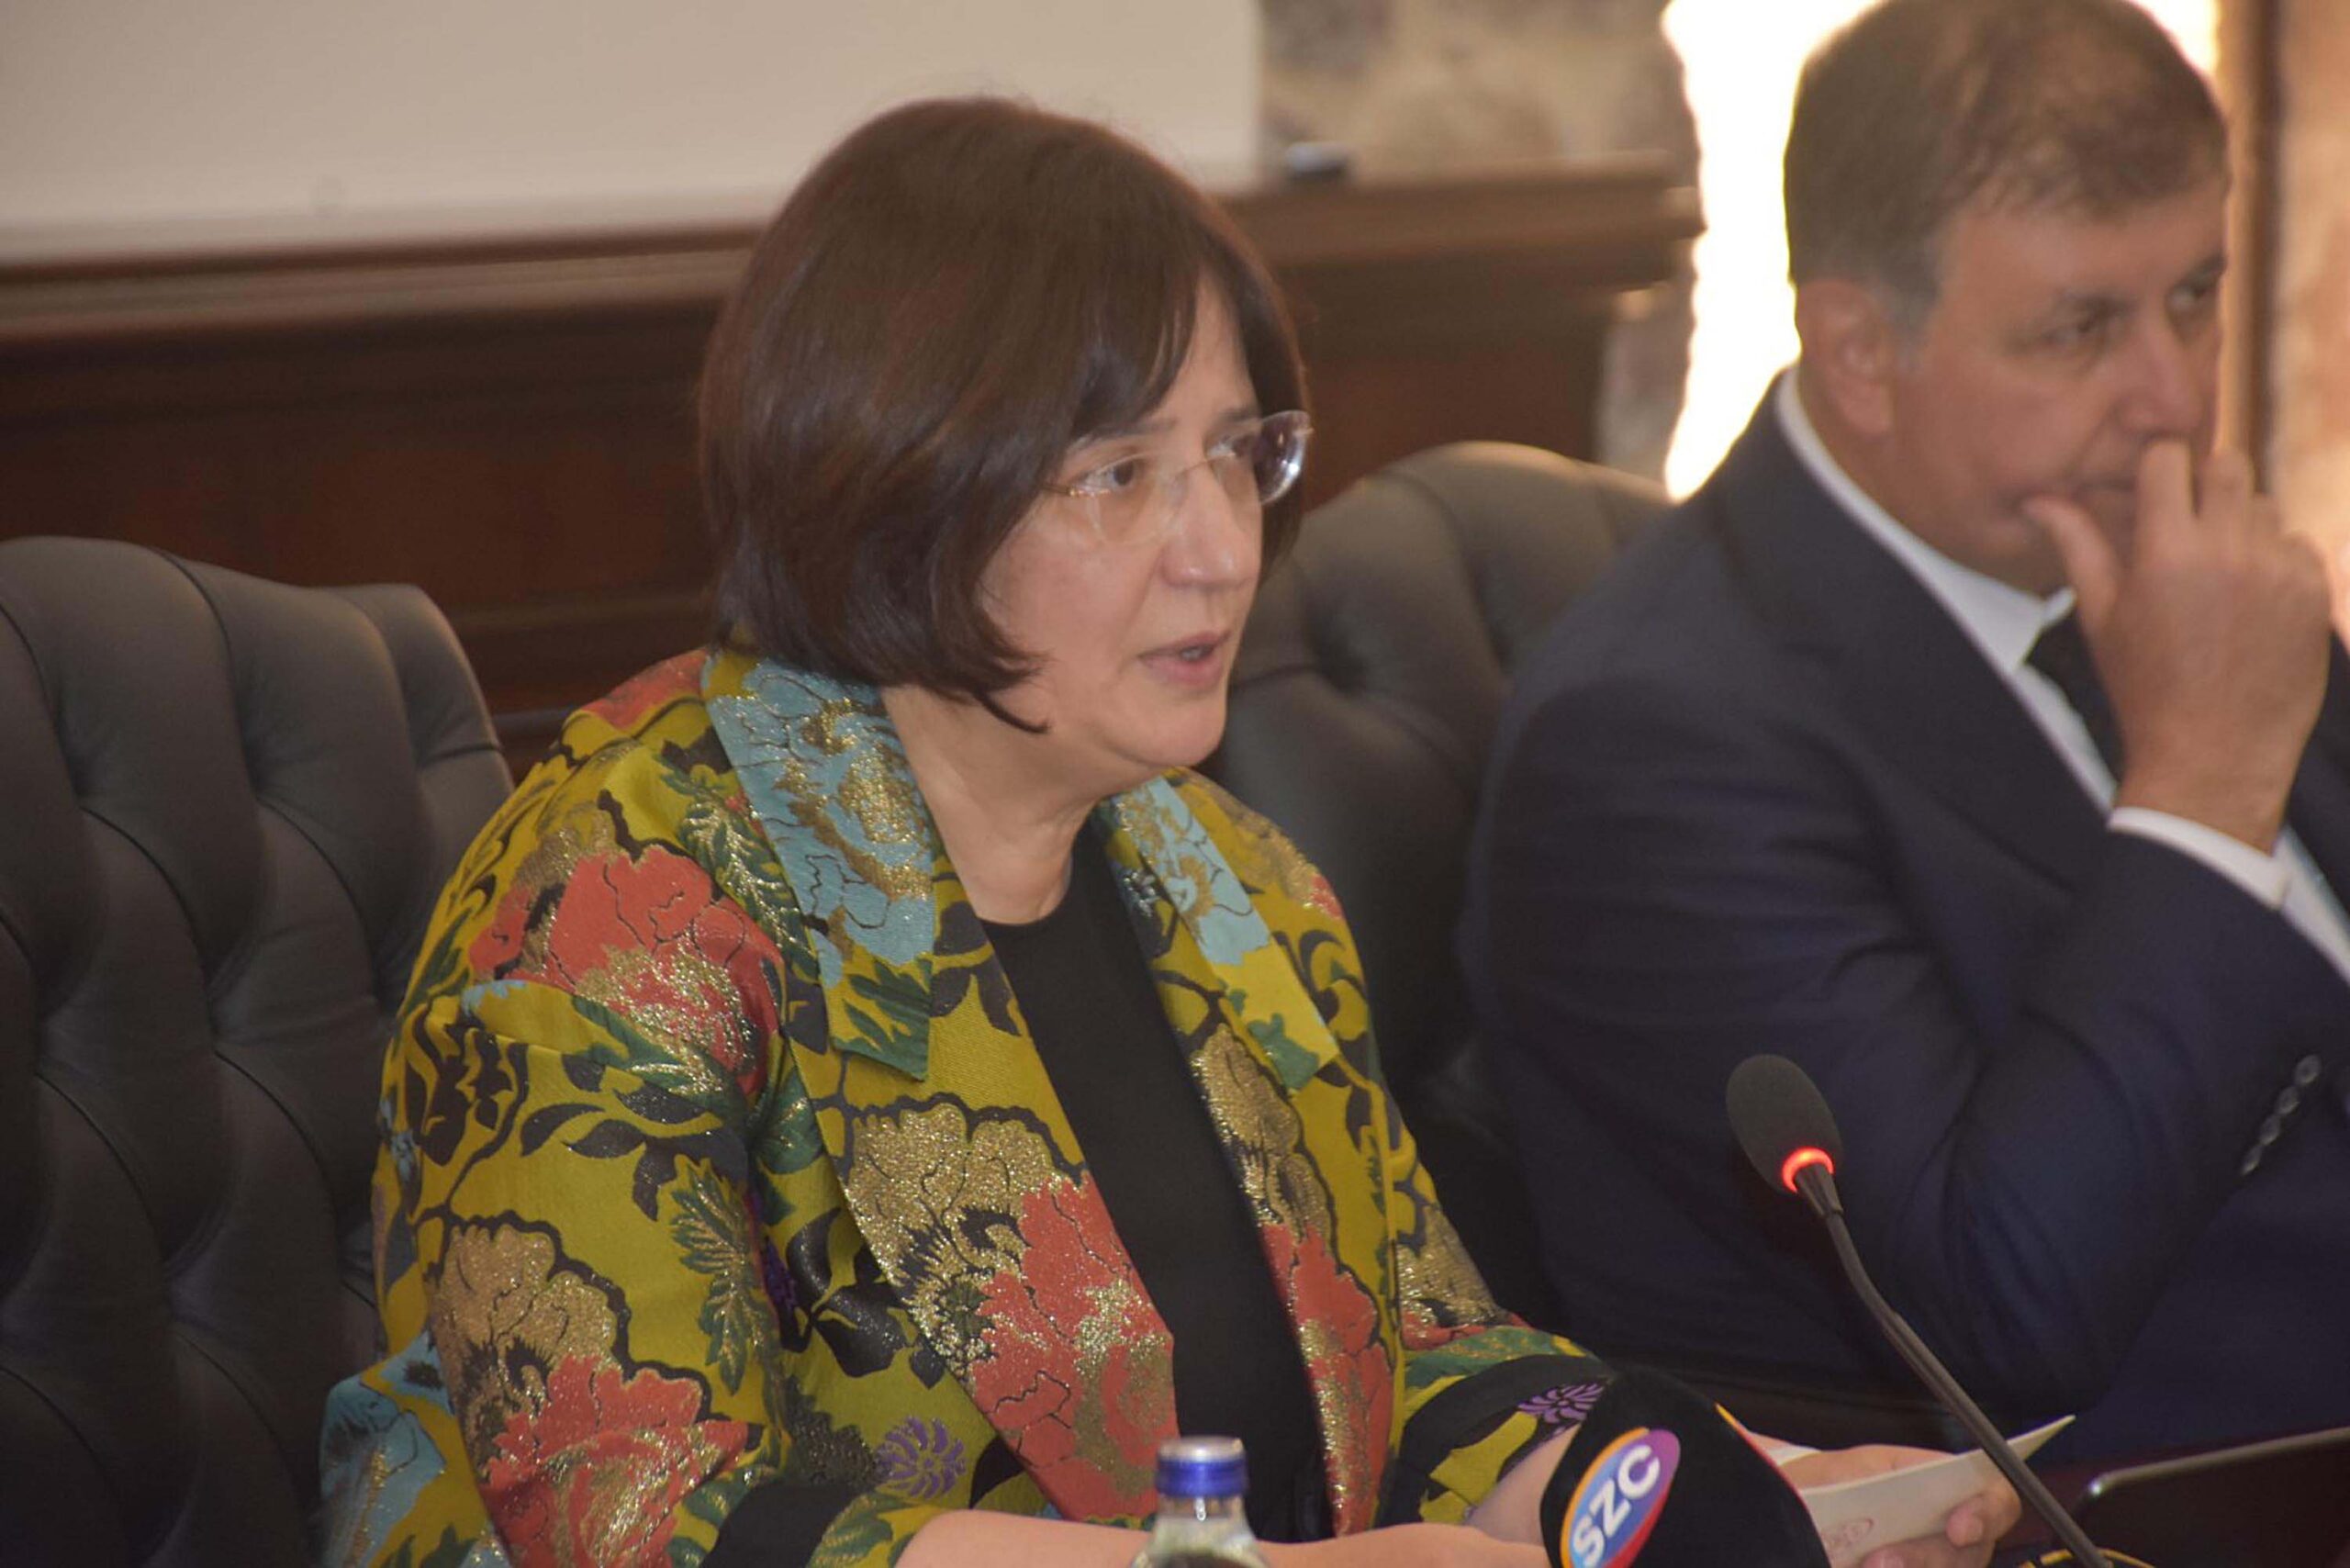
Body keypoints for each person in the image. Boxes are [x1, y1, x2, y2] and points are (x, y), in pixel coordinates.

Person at [316, 97, 2010, 1568]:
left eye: (1236, 454)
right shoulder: (617, 898)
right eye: (1120, 476)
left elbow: (1423, 1362)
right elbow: (638, 1521)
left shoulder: (1234, 886)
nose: (1219, 548)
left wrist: (1706, 1494)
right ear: (896, 490)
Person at [1462, 0, 2350, 1465]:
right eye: (2082, 330)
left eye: (2195, 294)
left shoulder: (2168, 564)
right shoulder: (1651, 746)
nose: (2178, 395)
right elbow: (2001, 1313)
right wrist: (2203, 790)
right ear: (1862, 353)